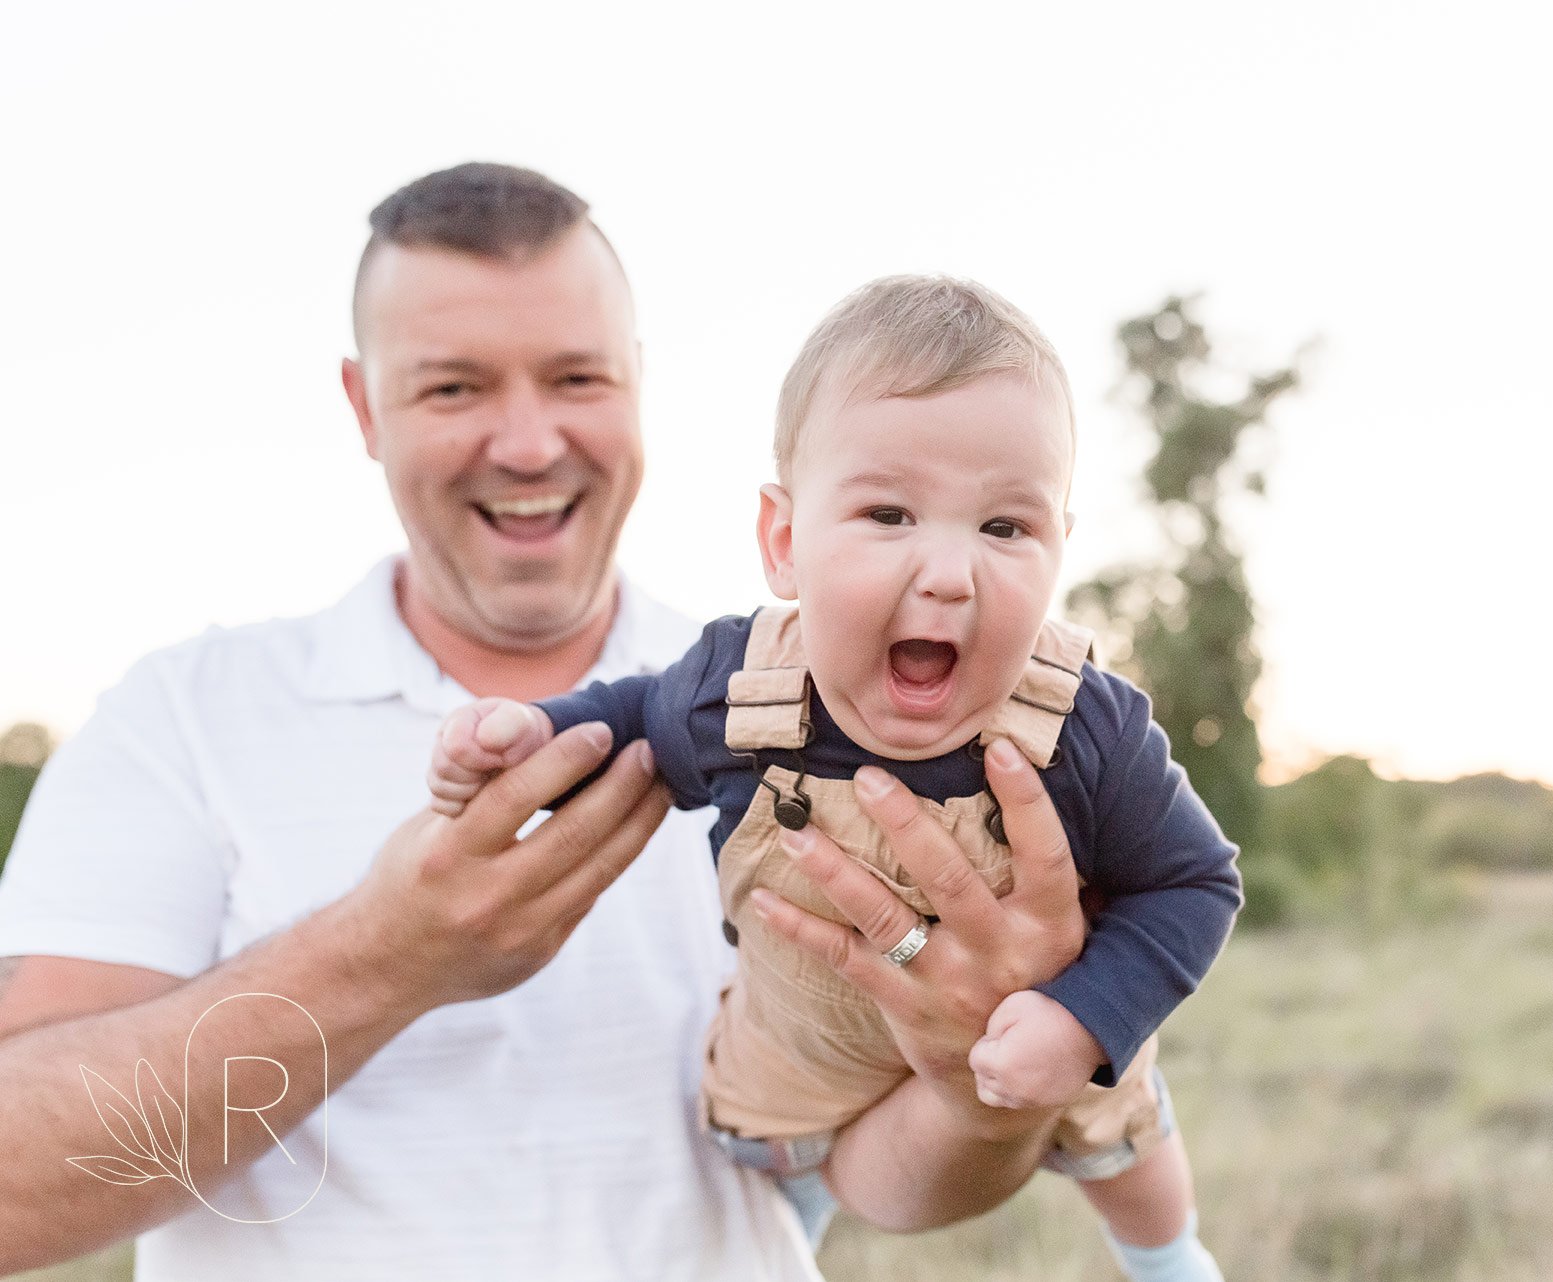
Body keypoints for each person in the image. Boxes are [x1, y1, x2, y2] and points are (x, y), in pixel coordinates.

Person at [0, 164, 1089, 1280]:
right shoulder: (183, 717)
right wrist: (385, 957)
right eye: (453, 389)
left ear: (638, 383)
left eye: (577, 377)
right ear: (364, 406)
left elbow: (880, 1177)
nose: (527, 444)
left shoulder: (837, 701)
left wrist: (979, 1091)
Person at [427, 275, 1240, 1281]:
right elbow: (629, 718)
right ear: (784, 542)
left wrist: (1085, 1018)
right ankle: (791, 1237)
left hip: (1029, 1035)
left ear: (1060, 549)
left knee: (1128, 1139)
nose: (949, 571)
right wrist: (531, 731)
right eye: (889, 513)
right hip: (804, 1045)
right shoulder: (737, 689)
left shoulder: (1081, 727)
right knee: (777, 1154)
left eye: (1005, 528)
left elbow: (1194, 881)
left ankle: (1169, 1260)